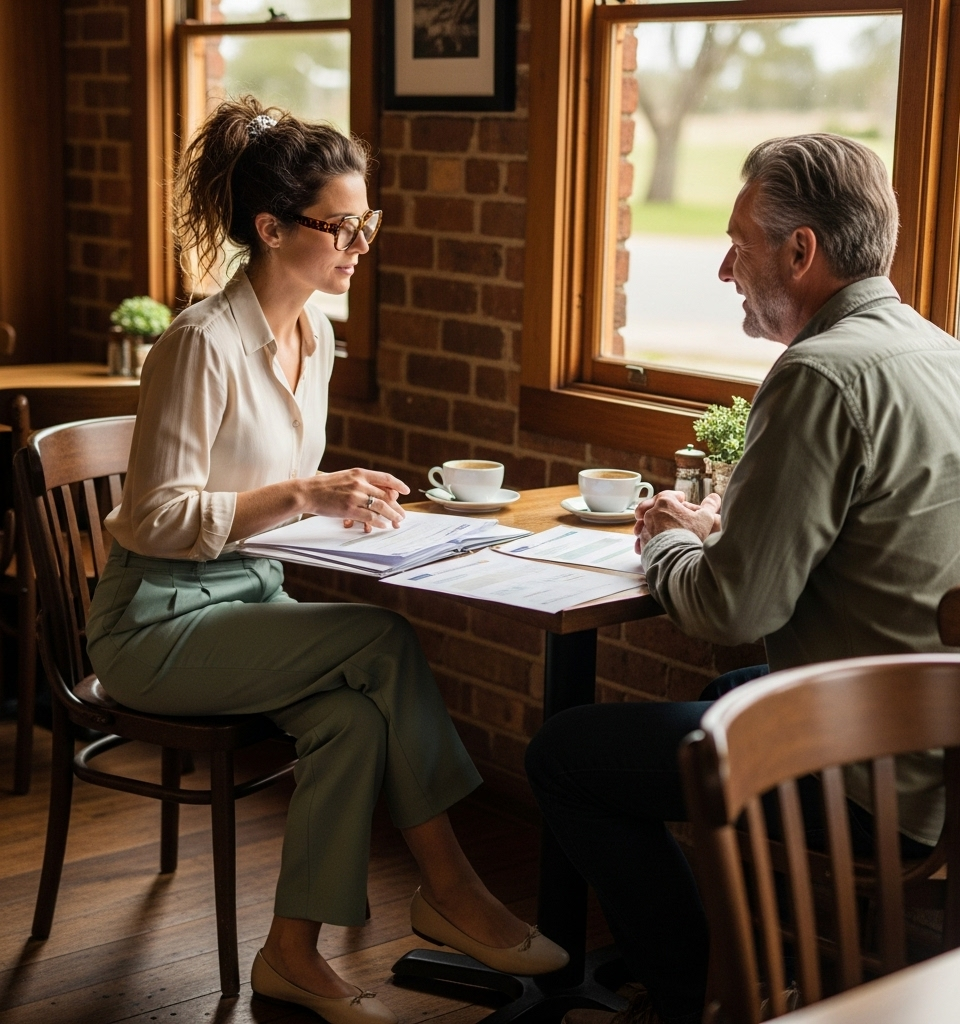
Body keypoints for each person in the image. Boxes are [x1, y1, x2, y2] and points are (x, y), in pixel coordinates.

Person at [85, 96, 567, 1024]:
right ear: (270, 229)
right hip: (154, 621)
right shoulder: (201, 343)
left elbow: (271, 504)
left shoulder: (319, 335)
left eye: (365, 223)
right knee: (382, 643)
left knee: (350, 720)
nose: (358, 243)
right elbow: (154, 516)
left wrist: (347, 511)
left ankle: (292, 956)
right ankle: (451, 888)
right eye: (339, 226)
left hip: (247, 601)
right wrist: (307, 494)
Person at [525, 134, 960, 1024]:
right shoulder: (941, 352)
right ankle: (757, 963)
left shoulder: (819, 374)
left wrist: (671, 544)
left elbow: (732, 606)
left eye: (739, 242)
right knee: (728, 692)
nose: (724, 267)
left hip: (887, 776)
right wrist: (732, 529)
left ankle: (699, 993)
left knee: (568, 756)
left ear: (802, 252)